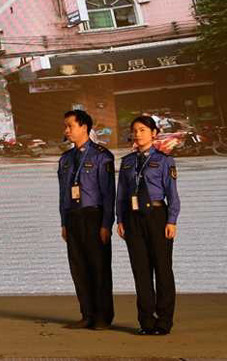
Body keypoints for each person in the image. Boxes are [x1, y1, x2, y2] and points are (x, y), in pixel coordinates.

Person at [117, 116, 180, 336]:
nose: (137, 134)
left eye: (142, 130)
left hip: (157, 216)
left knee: (162, 269)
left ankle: (163, 321)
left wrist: (172, 220)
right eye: (134, 130)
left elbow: (172, 194)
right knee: (141, 271)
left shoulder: (164, 161)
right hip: (133, 218)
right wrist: (120, 219)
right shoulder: (127, 162)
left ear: (154, 133)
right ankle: (146, 321)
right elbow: (121, 194)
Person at [58, 110, 115, 330]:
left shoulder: (101, 156)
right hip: (73, 217)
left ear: (84, 127)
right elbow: (63, 194)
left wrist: (106, 224)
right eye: (65, 126)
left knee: (99, 267)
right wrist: (64, 222)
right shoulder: (65, 159)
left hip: (94, 216)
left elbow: (108, 194)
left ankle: (102, 317)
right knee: (79, 268)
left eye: (70, 126)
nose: (66, 130)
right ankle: (87, 314)